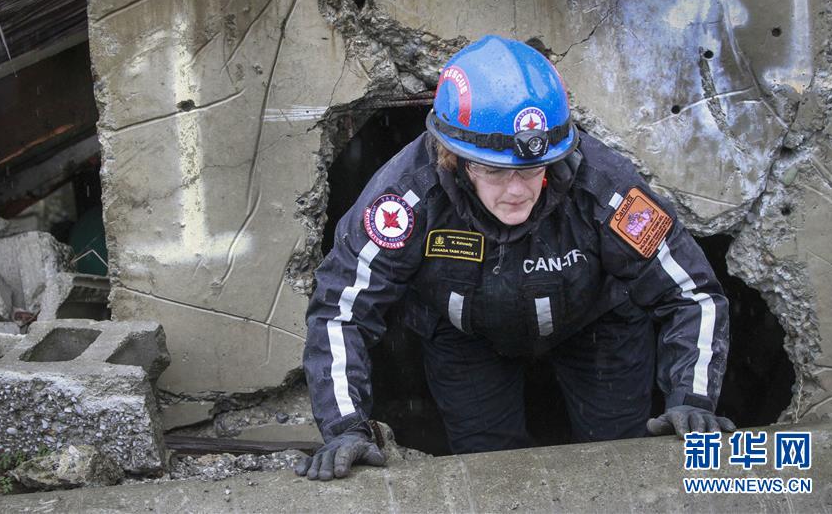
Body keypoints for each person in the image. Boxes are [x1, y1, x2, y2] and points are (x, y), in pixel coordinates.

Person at [294, 35, 736, 481]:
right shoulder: (404, 200)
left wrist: (692, 398)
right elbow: (341, 310)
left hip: (598, 327)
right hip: (464, 338)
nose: (517, 191)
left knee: (620, 461)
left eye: (530, 170)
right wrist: (345, 427)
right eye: (494, 170)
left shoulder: (605, 189)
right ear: (454, 158)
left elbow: (690, 292)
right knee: (488, 471)